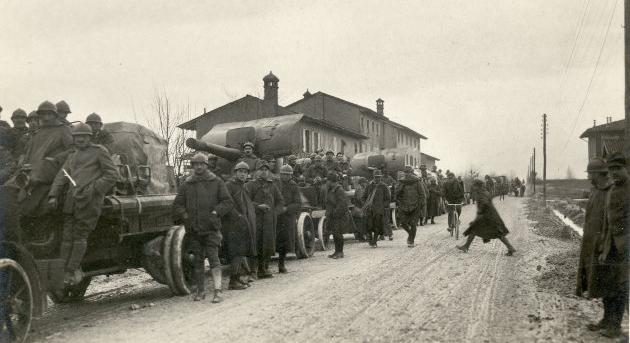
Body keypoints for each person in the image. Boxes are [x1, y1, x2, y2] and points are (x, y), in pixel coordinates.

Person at [47, 123, 119, 285]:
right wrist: (53, 195)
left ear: (89, 137)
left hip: (90, 201)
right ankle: (63, 270)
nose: (79, 139)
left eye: (83, 136)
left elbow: (112, 175)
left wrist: (93, 189)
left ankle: (72, 270)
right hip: (72, 201)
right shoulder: (72, 155)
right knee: (66, 236)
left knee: (80, 235)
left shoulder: (99, 151)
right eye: (76, 137)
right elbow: (62, 175)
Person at [172, 153, 233, 302]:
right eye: (196, 164)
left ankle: (218, 291)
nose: (199, 167)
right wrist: (185, 216)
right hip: (194, 229)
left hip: (211, 228)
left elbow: (227, 202)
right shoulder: (186, 184)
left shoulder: (216, 181)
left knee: (214, 259)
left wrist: (215, 212)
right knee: (198, 261)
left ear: (206, 166)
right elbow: (177, 205)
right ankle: (200, 291)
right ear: (192, 166)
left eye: (202, 164)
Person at [587, 152, 629, 338]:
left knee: (620, 287)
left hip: (625, 247)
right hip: (611, 244)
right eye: (611, 169)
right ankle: (607, 319)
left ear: (626, 168)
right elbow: (607, 221)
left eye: (618, 169)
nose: (614, 173)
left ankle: (616, 326)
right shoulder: (612, 190)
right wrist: (604, 246)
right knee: (607, 282)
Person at [17, 101, 73, 218]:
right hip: (31, 168)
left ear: (55, 115)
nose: (46, 118)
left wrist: (56, 158)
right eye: (43, 114)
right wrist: (23, 159)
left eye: (49, 114)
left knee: (31, 184)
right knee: (10, 186)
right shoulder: (38, 132)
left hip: (50, 168)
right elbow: (29, 151)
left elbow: (73, 149)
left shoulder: (63, 129)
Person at [576, 158, 610, 299]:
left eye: (590, 173)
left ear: (597, 174)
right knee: (588, 263)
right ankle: (589, 290)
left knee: (599, 267)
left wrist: (604, 240)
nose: (588, 177)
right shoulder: (595, 190)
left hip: (601, 237)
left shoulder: (608, 191)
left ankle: (600, 293)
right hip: (590, 235)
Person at [456, 179, 516, 255]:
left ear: (478, 186)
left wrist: (480, 212)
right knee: (495, 233)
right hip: (490, 215)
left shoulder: (482, 193)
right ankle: (466, 246)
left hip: (487, 217)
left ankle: (510, 248)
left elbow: (484, 203)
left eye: (474, 186)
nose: (473, 187)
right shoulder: (484, 192)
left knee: (495, 233)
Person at [246, 163, 284, 278]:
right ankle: (253, 271)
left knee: (267, 244)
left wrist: (275, 213)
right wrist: (258, 206)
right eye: (261, 169)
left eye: (266, 169)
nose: (264, 172)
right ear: (256, 171)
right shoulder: (250, 185)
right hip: (255, 219)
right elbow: (246, 202)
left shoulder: (272, 185)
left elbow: (280, 201)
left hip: (269, 220)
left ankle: (263, 269)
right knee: (255, 243)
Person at [223, 161, 256, 290]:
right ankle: (232, 281)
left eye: (245, 172)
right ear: (235, 172)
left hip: (242, 223)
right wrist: (238, 216)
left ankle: (237, 278)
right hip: (232, 224)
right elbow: (227, 203)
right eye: (240, 172)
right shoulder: (229, 185)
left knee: (240, 251)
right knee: (235, 252)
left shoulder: (243, 186)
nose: (242, 174)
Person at [276, 164, 301, 273]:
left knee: (285, 240)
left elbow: (297, 203)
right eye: (283, 174)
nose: (285, 177)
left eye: (287, 175)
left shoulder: (294, 186)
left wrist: (286, 209)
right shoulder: (275, 184)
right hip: (276, 215)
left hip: (287, 217)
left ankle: (281, 264)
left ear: (291, 176)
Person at [396, 166, 426, 247]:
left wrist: (422, 205)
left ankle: (411, 240)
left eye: (408, 172)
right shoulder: (401, 181)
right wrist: (400, 189)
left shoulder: (417, 181)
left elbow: (422, 194)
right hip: (403, 205)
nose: (407, 174)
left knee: (413, 224)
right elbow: (396, 193)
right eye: (406, 172)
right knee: (403, 223)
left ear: (411, 172)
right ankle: (410, 234)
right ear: (404, 173)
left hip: (415, 205)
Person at [362, 169, 391, 248]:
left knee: (377, 225)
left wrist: (384, 206)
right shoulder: (369, 185)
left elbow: (387, 198)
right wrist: (366, 204)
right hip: (370, 209)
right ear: (373, 177)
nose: (377, 178)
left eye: (378, 177)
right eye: (376, 177)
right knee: (369, 225)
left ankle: (374, 241)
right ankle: (370, 239)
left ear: (381, 177)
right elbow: (364, 196)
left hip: (379, 209)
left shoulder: (384, 186)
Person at [325, 172, 350, 258]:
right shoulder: (331, 189)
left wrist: (335, 213)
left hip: (339, 216)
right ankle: (336, 251)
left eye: (328, 180)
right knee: (335, 233)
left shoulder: (339, 190)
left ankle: (340, 252)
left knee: (338, 234)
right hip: (333, 215)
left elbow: (342, 204)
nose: (327, 182)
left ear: (332, 181)